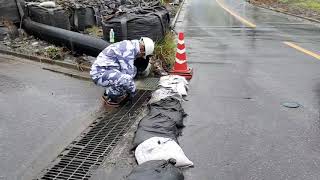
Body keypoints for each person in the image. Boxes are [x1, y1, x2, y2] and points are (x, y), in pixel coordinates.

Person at [90, 37, 155, 106]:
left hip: (109, 69)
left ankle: (113, 86)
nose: (141, 56)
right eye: (142, 55)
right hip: (100, 74)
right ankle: (110, 95)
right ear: (142, 49)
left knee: (134, 70)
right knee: (126, 81)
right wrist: (133, 93)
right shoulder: (128, 50)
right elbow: (128, 77)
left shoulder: (131, 45)